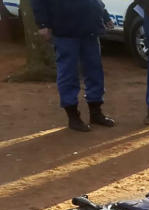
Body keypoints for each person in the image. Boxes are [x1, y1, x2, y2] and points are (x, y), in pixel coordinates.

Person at [34, 0, 116, 132]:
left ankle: (96, 112)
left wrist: (105, 16)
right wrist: (42, 23)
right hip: (65, 30)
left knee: (95, 72)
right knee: (68, 73)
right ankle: (73, 117)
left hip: (90, 28)